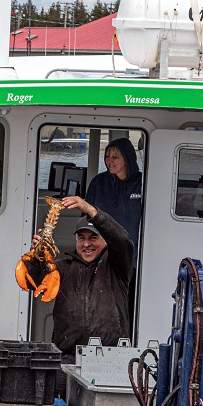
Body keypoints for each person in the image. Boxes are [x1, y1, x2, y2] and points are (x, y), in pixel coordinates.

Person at [48, 196, 136, 357]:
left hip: (111, 357)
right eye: (81, 238)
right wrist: (36, 257)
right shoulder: (63, 268)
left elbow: (124, 241)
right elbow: (33, 280)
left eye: (93, 237)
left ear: (105, 240)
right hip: (67, 357)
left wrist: (91, 211)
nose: (86, 244)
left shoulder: (118, 265)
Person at [84, 137, 144, 245]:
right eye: (107, 156)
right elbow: (85, 218)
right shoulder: (98, 182)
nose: (109, 160)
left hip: (133, 251)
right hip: (103, 250)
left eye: (114, 157)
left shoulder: (142, 182)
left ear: (127, 159)